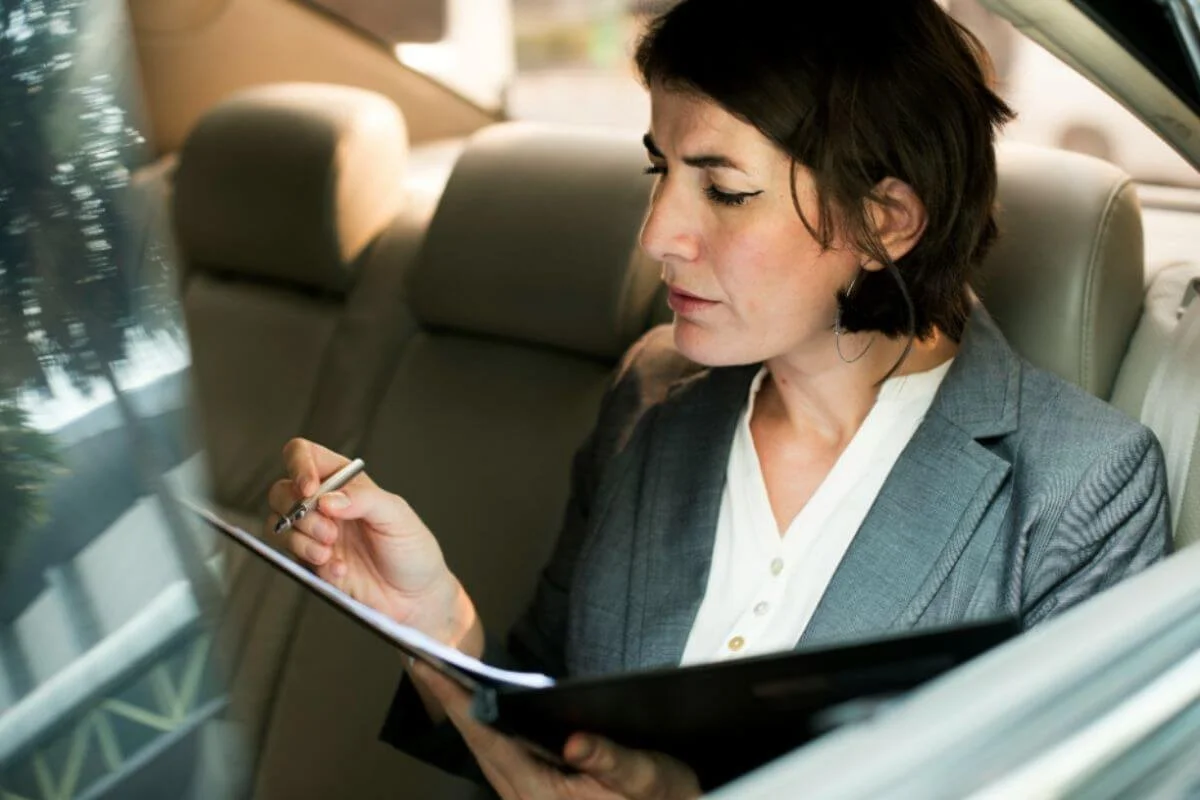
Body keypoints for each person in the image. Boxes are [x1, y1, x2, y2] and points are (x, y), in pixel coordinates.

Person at [266, 1, 1172, 797]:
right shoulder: (652, 395)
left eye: (726, 191)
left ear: (885, 221)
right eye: (658, 169)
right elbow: (548, 722)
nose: (659, 232)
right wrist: (434, 629)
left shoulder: (1078, 490)